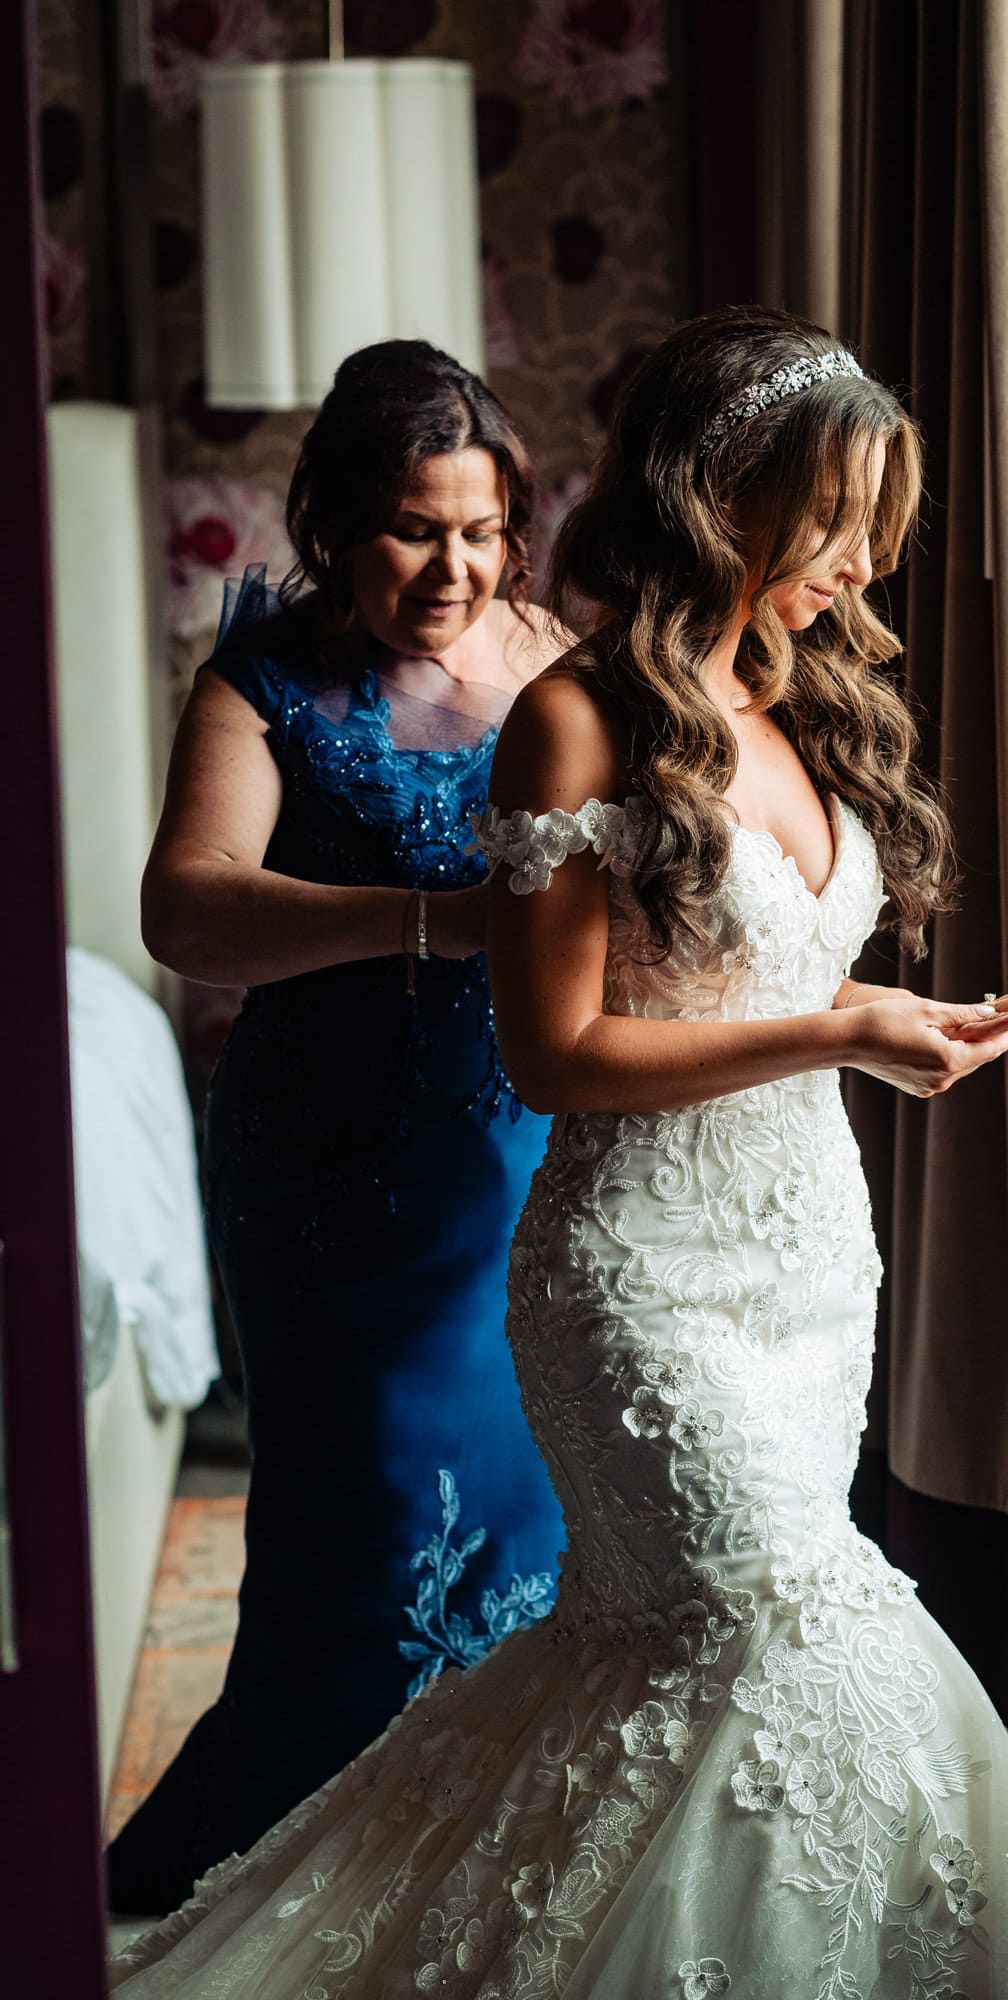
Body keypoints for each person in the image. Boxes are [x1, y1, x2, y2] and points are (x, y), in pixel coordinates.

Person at [109, 306, 1008, 1995]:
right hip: (560, 1235)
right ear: (724, 498)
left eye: (486, 528)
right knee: (748, 1618)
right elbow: (531, 1037)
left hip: (797, 1257)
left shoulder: (793, 698)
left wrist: (894, 1028)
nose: (858, 561)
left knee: (639, 1651)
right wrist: (846, 1031)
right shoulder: (523, 711)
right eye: (832, 520)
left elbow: (750, 958)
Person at [106, 342, 570, 1916]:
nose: (452, 568)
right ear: (331, 520)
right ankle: (306, 1870)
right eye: (409, 529)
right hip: (328, 1167)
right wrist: (438, 921)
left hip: (518, 1144)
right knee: (365, 1517)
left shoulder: (555, 658)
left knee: (534, 1495)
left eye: (480, 530)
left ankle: (495, 1855)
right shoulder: (264, 680)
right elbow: (190, 910)